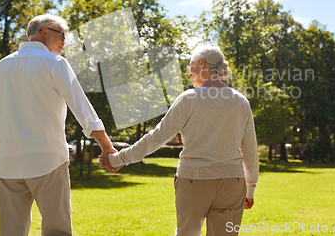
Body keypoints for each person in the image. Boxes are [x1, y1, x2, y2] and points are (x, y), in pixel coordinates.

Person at [100, 45, 259, 236]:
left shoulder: (189, 99)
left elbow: (156, 137)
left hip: (194, 181)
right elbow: (250, 149)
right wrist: (250, 188)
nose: (190, 73)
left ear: (202, 64)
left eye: (191, 66)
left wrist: (118, 159)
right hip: (231, 183)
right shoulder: (241, 101)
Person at [0, 14, 117, 236]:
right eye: (62, 36)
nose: (64, 43)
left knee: (10, 231)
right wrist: (106, 146)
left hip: (10, 163)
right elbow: (82, 108)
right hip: (48, 160)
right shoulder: (55, 63)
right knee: (57, 231)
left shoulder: (2, 65)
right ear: (44, 32)